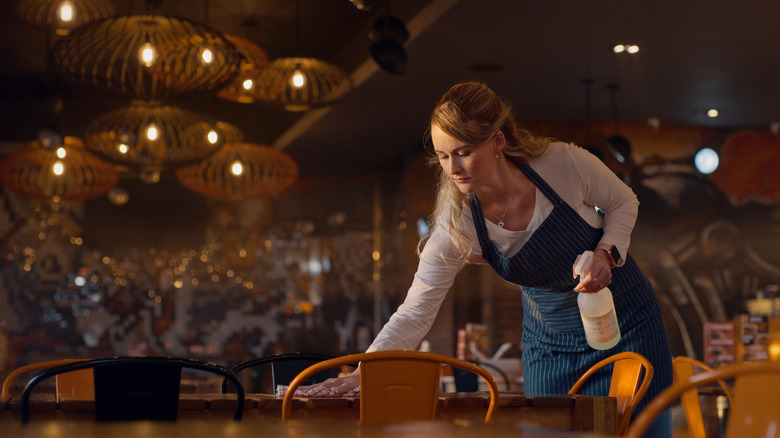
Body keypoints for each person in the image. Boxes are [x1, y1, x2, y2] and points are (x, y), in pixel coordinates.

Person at [296, 80, 672, 436]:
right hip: (550, 344)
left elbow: (623, 202)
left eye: (464, 152)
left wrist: (606, 255)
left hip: (625, 323)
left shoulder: (561, 164)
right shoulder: (458, 226)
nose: (453, 169)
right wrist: (369, 368)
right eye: (443, 156)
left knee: (643, 430)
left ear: (497, 141)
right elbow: (415, 312)